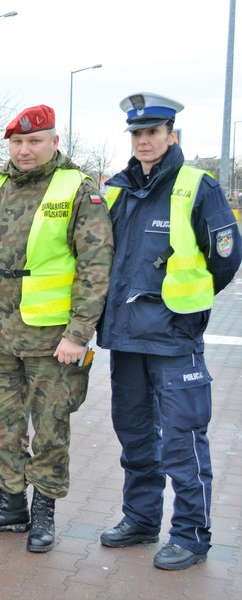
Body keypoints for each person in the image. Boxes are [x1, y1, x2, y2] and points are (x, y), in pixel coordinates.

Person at [97, 93, 241, 570]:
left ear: (171, 135)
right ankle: (140, 519)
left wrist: (186, 309)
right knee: (135, 434)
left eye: (152, 132)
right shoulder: (116, 189)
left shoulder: (197, 186)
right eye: (137, 134)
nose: (143, 141)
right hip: (126, 338)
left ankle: (191, 533)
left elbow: (224, 259)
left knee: (183, 438)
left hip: (174, 339)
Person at [0, 105, 113, 553]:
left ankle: (44, 510)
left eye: (34, 141)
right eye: (17, 142)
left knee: (49, 428)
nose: (24, 150)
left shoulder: (78, 190)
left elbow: (96, 265)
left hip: (53, 339)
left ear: (54, 141)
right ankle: (11, 504)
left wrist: (79, 333)